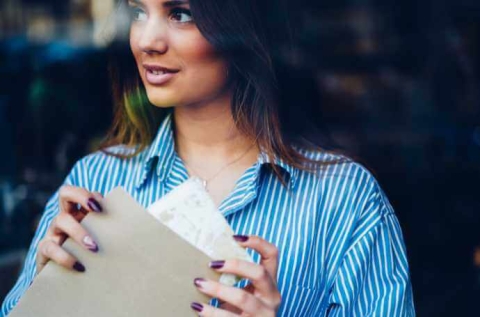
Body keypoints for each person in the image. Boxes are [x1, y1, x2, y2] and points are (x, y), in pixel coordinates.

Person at [1, 0, 415, 315]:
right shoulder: (97, 179)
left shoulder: (343, 200)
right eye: (139, 11)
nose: (147, 40)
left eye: (180, 13)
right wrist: (46, 290)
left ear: (241, 26)